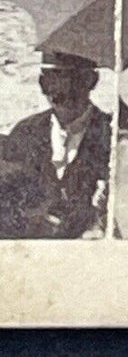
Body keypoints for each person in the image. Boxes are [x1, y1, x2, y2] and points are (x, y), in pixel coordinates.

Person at [2, 52, 111, 238]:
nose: (57, 90)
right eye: (48, 80)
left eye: (68, 78)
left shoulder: (112, 136)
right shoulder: (24, 134)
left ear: (90, 80)